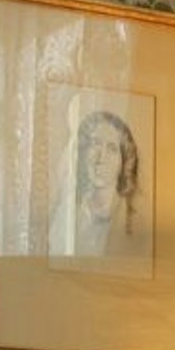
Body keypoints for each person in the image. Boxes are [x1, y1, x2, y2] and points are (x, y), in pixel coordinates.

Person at [67, 107, 145, 257]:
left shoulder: (135, 221)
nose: (101, 158)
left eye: (112, 149)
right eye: (95, 144)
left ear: (124, 161)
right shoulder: (70, 213)